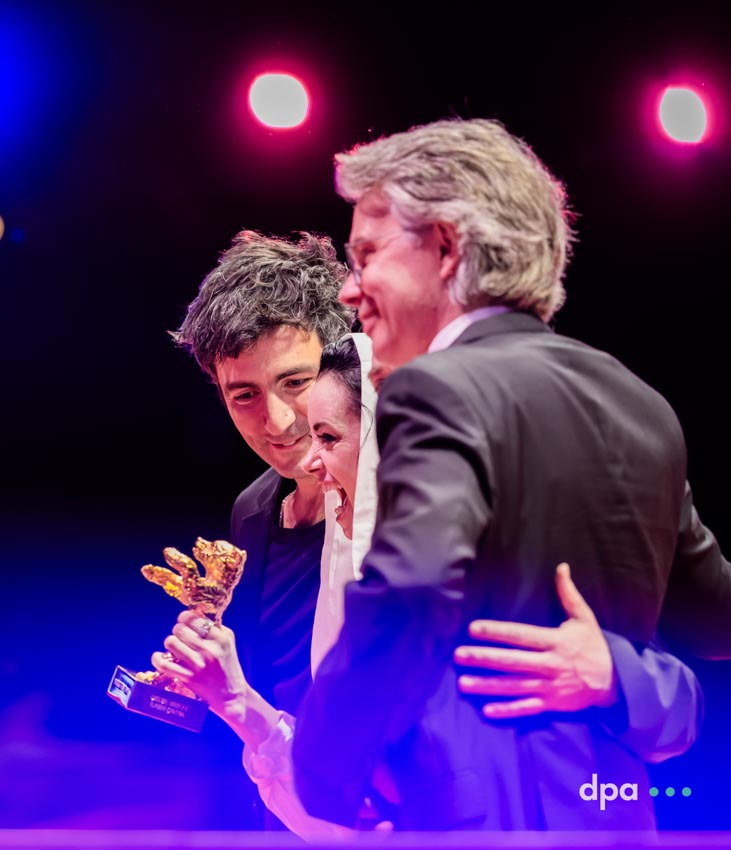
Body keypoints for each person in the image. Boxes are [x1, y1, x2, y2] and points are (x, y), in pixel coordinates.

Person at [291, 117, 731, 830]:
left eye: (365, 253)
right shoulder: (643, 407)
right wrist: (617, 672)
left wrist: (320, 773)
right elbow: (716, 619)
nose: (349, 289)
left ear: (444, 246)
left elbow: (407, 593)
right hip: (617, 819)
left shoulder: (435, 387)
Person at [169, 229, 353, 831]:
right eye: (243, 394)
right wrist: (207, 671)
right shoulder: (252, 509)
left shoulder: (397, 499)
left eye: (295, 383)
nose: (275, 421)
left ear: (342, 362)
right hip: (284, 814)